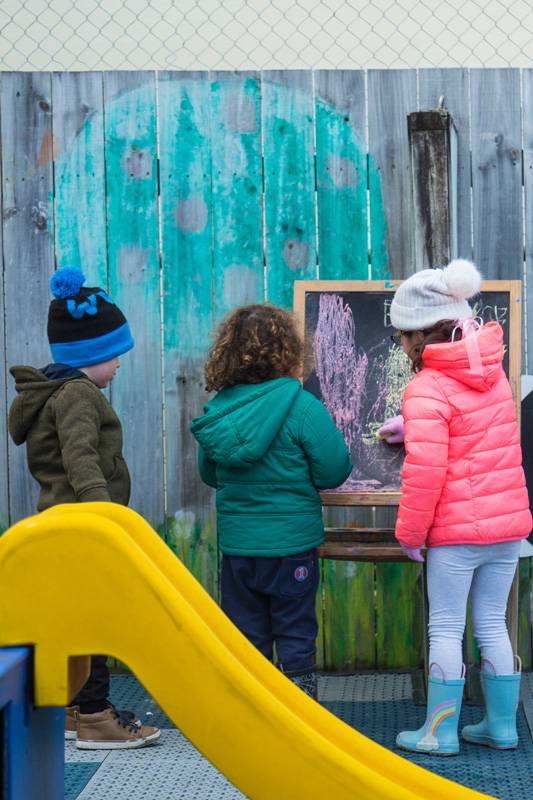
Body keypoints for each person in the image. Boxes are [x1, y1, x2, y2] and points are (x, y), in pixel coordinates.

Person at [379, 259, 532, 755]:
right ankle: (502, 727)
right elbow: (476, 432)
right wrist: (413, 424)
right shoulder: (494, 374)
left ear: (423, 336)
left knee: (446, 626)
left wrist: (409, 534)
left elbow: (426, 473)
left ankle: (439, 732)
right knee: (492, 622)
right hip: (507, 529)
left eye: (404, 336)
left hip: (456, 533)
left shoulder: (426, 388)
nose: (402, 346)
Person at [8, 267, 160, 750]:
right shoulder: (77, 394)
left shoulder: (58, 391)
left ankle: (75, 707)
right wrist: (105, 516)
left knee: (74, 618)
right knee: (96, 620)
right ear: (89, 355)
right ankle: (95, 715)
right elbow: (81, 459)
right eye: (112, 354)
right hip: (84, 525)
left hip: (64, 523)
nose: (118, 363)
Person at [191, 304, 352, 699]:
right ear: (289, 352)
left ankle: (254, 715)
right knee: (295, 632)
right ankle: (301, 717)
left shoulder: (218, 412)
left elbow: (210, 474)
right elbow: (334, 470)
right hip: (291, 549)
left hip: (240, 550)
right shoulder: (302, 407)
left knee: (247, 635)